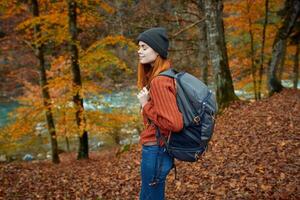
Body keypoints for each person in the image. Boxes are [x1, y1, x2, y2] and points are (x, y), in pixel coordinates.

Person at [136, 27, 183, 200]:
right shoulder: (165, 76)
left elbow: (175, 123)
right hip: (157, 149)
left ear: (157, 50)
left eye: (144, 47)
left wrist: (146, 105)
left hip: (156, 149)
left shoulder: (160, 81)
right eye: (139, 47)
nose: (139, 51)